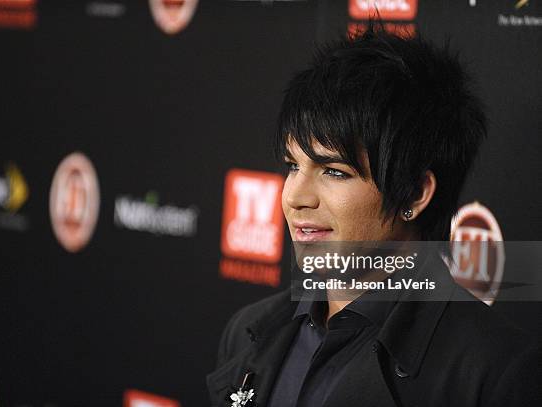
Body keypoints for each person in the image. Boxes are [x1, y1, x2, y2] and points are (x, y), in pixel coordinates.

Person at [206, 22, 542, 407]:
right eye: (292, 166)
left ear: (414, 193)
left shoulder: (495, 373)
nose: (295, 197)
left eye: (334, 171)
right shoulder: (248, 331)